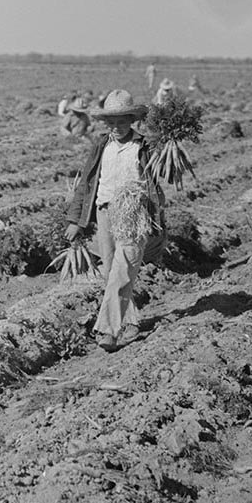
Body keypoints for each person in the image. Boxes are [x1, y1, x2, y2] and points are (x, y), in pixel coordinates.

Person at [65, 89, 164, 353]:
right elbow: (85, 183)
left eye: (123, 121)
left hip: (134, 213)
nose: (118, 127)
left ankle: (107, 330)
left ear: (132, 119)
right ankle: (130, 323)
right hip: (105, 212)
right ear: (106, 123)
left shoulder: (145, 146)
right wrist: (76, 220)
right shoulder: (101, 145)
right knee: (111, 273)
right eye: (113, 121)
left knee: (122, 272)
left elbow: (164, 173)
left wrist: (170, 145)